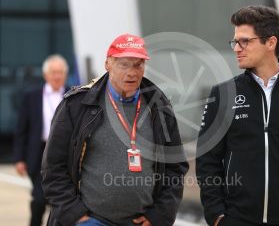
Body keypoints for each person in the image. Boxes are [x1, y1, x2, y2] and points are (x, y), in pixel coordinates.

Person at [196, 5, 279, 226]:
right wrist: (217, 215)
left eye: (245, 41)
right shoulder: (222, 95)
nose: (237, 48)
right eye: (235, 42)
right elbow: (207, 160)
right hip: (237, 219)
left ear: (270, 43)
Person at [41, 33, 189, 226]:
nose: (132, 72)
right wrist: (76, 216)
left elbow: (175, 168)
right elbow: (53, 167)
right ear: (108, 64)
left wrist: (159, 216)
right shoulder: (77, 105)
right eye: (124, 64)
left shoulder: (159, 107)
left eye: (138, 64)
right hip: (90, 222)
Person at [14, 54, 69, 226]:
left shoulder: (73, 94)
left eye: (60, 72)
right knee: (39, 200)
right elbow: (21, 130)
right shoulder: (32, 97)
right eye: (53, 72)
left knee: (60, 201)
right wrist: (19, 158)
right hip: (38, 153)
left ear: (65, 75)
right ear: (46, 75)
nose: (57, 76)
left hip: (64, 153)